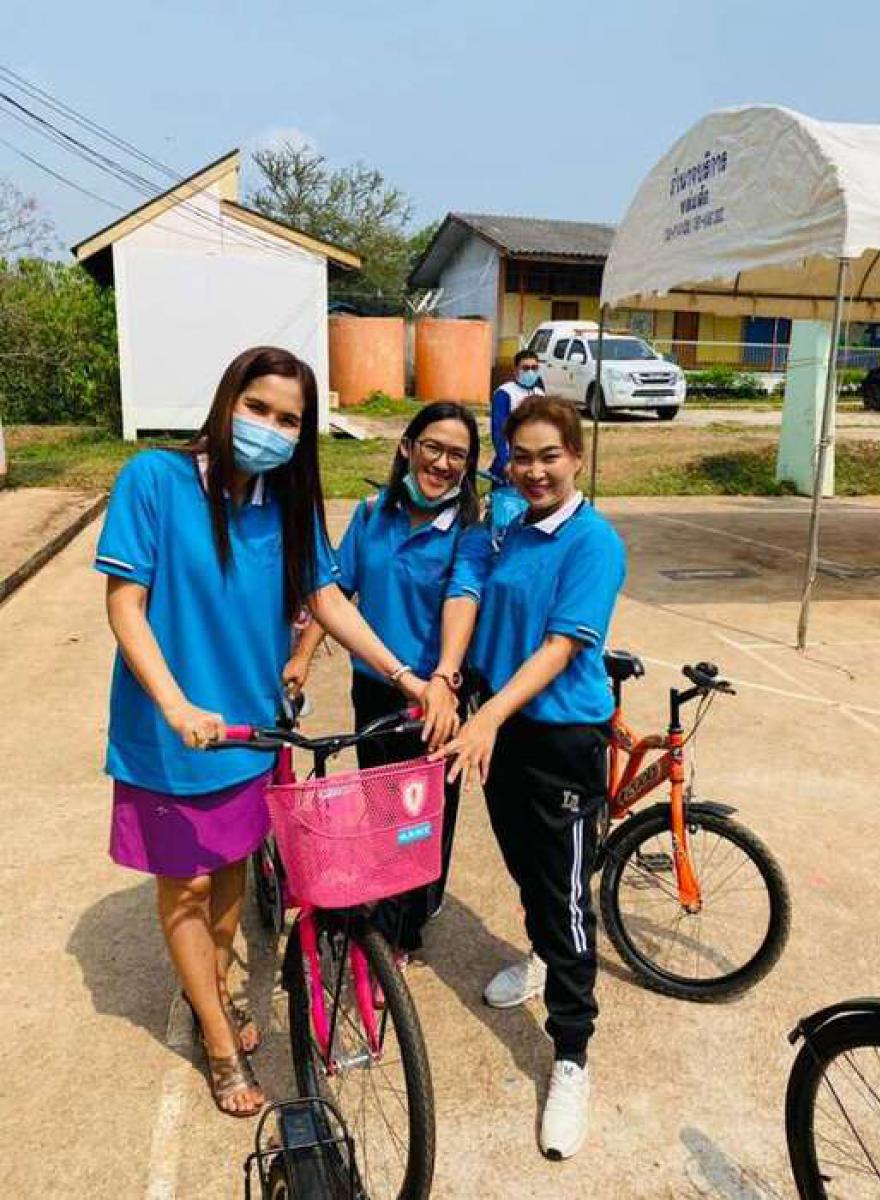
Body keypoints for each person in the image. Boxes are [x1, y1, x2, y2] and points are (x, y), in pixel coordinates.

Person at [95, 346, 447, 1120]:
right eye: (257, 408)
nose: (270, 428)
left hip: (250, 732)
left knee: (228, 874)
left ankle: (214, 988)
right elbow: (125, 606)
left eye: (289, 420)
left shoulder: (286, 505)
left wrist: (406, 676)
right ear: (226, 402)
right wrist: (176, 706)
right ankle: (219, 1041)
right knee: (186, 886)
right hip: (172, 734)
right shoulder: (153, 481)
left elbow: (327, 600)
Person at [435, 394, 626, 1161]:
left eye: (550, 456)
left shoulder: (594, 541)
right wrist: (453, 682)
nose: (536, 470)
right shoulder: (508, 530)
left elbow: (559, 646)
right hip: (503, 731)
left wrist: (487, 715)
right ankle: (541, 955)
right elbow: (470, 593)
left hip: (559, 738)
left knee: (566, 897)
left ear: (575, 457)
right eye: (522, 457)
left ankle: (572, 1054)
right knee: (524, 864)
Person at [284, 402, 489, 958]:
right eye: (433, 447)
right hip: (374, 687)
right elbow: (335, 590)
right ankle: (394, 898)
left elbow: (463, 598)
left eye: (458, 455)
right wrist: (302, 657)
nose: (443, 463)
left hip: (434, 697)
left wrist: (444, 678)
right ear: (407, 447)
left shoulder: (468, 532)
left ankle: (405, 929)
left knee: (419, 815)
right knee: (380, 802)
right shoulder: (372, 513)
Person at [489, 347, 544, 479]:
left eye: (534, 368)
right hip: (511, 458)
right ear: (515, 370)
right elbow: (499, 430)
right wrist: (506, 461)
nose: (530, 372)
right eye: (525, 368)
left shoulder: (540, 394)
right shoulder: (505, 393)